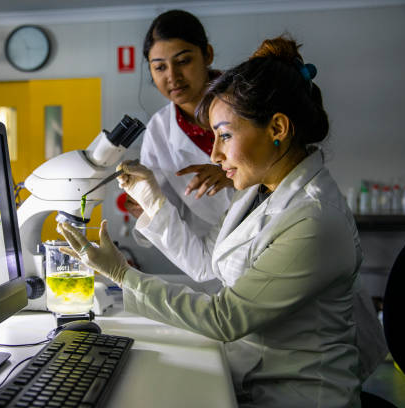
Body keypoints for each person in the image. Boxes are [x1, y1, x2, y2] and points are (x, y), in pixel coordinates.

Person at [58, 35, 387, 407]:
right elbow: (208, 262)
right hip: (249, 377)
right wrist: (155, 202)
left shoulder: (314, 217)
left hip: (296, 396)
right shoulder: (256, 193)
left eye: (225, 136)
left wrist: (123, 275)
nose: (214, 154)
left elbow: (224, 317)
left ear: (277, 129)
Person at [128, 10, 233, 269]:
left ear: (207, 54)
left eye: (183, 60)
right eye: (160, 67)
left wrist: (231, 175)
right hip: (212, 254)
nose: (172, 76)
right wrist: (148, 209)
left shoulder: (246, 102)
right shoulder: (159, 130)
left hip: (271, 234)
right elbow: (167, 209)